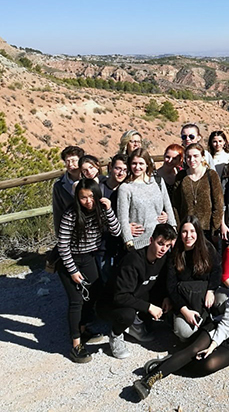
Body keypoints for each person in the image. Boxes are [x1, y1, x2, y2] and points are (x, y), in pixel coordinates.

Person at [132, 264, 229, 400]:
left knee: (208, 365)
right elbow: (226, 325)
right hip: (219, 328)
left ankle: (167, 363)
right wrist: (212, 345)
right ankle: (147, 381)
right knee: (193, 350)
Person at [57, 179, 121, 363]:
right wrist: (72, 270)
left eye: (91, 196)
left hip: (88, 258)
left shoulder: (100, 211)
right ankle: (76, 345)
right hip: (70, 261)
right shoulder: (71, 214)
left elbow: (116, 232)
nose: (88, 201)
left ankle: (83, 328)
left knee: (94, 293)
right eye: (83, 197)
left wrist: (108, 210)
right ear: (77, 198)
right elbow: (62, 246)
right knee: (76, 300)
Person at [104, 224, 177, 359]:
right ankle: (115, 336)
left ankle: (136, 325)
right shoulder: (133, 260)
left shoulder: (163, 259)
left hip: (137, 294)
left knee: (168, 299)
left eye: (167, 246)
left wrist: (166, 297)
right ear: (151, 240)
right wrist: (149, 307)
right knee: (127, 315)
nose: (163, 249)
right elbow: (120, 296)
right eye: (160, 244)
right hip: (112, 302)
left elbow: (161, 282)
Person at [166, 216, 222, 342]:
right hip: (185, 302)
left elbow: (217, 270)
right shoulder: (175, 255)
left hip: (205, 296)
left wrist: (211, 290)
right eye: (184, 232)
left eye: (192, 231)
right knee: (184, 332)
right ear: (180, 234)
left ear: (198, 232)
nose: (188, 236)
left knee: (224, 300)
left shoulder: (208, 249)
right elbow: (171, 287)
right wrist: (185, 311)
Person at [117, 149, 176, 251]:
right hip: (138, 244)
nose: (137, 167)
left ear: (147, 164)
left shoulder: (158, 182)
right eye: (134, 163)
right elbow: (123, 218)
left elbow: (168, 206)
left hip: (161, 241)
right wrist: (128, 240)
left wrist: (173, 231)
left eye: (141, 163)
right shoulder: (126, 187)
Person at [172, 143, 224, 243]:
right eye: (188, 157)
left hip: (206, 230)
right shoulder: (181, 176)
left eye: (195, 156)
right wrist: (179, 227)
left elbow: (218, 203)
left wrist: (214, 228)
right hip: (186, 231)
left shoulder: (211, 175)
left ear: (202, 157)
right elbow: (176, 204)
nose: (192, 160)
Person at [97, 154, 129, 282]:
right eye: (118, 168)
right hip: (103, 244)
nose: (121, 173)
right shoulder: (99, 189)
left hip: (122, 243)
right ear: (110, 167)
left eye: (125, 170)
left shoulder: (127, 189)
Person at [53, 145, 85, 236]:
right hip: (71, 230)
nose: (70, 164)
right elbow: (58, 210)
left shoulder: (90, 180)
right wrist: (59, 234)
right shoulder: (59, 185)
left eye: (74, 161)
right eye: (67, 161)